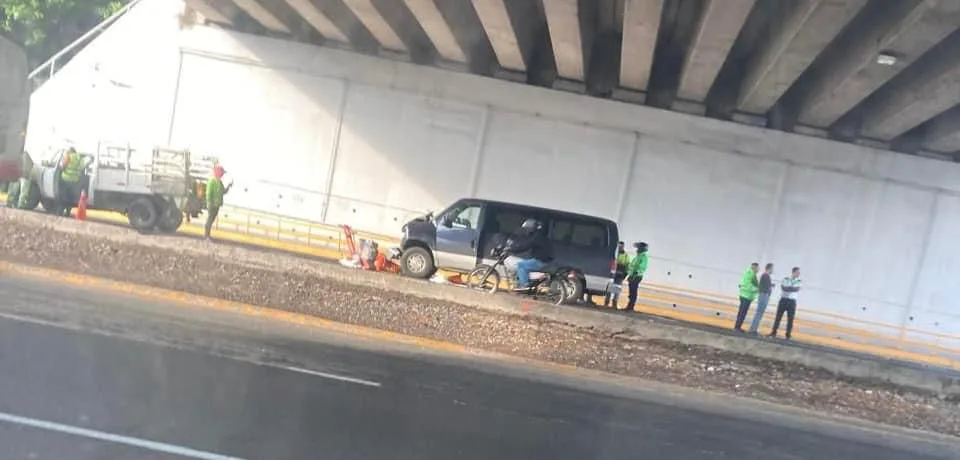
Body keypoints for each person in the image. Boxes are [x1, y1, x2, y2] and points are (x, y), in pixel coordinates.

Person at [506, 218, 553, 291]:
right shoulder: (539, 235)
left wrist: (512, 249)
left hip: (541, 260)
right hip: (544, 259)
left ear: (531, 228)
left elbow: (525, 245)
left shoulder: (536, 237)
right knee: (525, 263)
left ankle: (524, 285)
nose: (526, 231)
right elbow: (526, 245)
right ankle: (527, 282)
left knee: (521, 265)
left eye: (527, 229)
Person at [769, 267, 802, 340]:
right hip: (783, 300)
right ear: (793, 272)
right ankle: (773, 332)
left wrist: (789, 288)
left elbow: (797, 289)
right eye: (797, 272)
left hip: (792, 301)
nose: (798, 274)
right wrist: (791, 288)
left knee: (790, 319)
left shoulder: (799, 281)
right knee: (778, 317)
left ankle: (788, 334)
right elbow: (783, 288)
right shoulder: (786, 278)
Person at [204, 164, 231, 241]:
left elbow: (223, 192)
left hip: (217, 204)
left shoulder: (219, 182)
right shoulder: (211, 181)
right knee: (210, 219)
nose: (222, 175)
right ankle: (206, 236)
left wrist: (228, 186)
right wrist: (209, 203)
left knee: (211, 219)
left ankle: (208, 235)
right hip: (212, 204)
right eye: (221, 173)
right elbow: (208, 193)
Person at [749, 263, 774, 334]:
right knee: (759, 312)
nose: (773, 270)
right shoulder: (765, 275)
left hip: (763, 295)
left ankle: (754, 328)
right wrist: (770, 287)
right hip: (764, 295)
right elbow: (765, 287)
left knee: (759, 312)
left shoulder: (766, 276)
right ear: (769, 268)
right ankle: (753, 328)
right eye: (772, 269)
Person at [58, 147, 84, 217]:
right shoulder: (79, 157)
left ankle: (60, 211)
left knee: (63, 196)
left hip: (66, 178)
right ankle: (68, 212)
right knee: (70, 197)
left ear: (70, 151)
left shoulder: (68, 156)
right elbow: (82, 167)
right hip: (75, 179)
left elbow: (63, 166)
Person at [734, 262, 759, 332]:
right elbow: (750, 285)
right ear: (755, 268)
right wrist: (757, 289)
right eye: (758, 268)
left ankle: (737, 326)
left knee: (740, 311)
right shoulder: (752, 275)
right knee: (743, 312)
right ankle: (737, 327)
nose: (758, 269)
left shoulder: (746, 273)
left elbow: (742, 283)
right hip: (747, 295)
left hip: (742, 294)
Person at [604, 241, 630, 307]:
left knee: (617, 289)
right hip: (612, 274)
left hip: (620, 275)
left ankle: (614, 303)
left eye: (621, 246)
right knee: (609, 288)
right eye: (619, 246)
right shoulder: (613, 253)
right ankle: (606, 302)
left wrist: (626, 274)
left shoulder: (626, 255)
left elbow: (627, 265)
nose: (620, 247)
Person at [624, 242, 648, 311]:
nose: (637, 249)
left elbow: (642, 267)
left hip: (636, 276)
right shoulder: (638, 256)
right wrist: (628, 273)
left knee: (633, 291)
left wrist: (634, 274)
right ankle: (629, 306)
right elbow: (632, 266)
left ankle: (631, 307)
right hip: (633, 275)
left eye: (638, 248)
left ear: (641, 248)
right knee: (631, 291)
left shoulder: (643, 256)